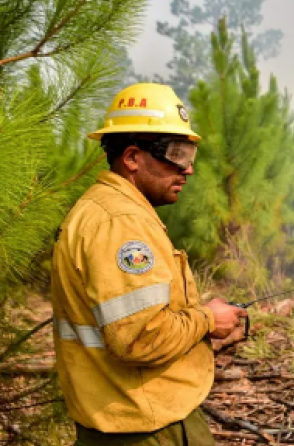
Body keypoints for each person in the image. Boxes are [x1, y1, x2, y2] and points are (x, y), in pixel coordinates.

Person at [51, 83, 247, 446]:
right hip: (146, 426)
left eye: (190, 155)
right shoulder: (121, 223)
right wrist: (208, 319)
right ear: (131, 158)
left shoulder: (106, 210)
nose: (187, 170)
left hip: (129, 414)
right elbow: (140, 339)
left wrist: (201, 332)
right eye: (176, 154)